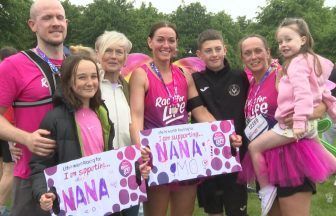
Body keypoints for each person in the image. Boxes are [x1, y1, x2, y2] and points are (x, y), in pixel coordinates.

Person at [239, 32, 336, 216]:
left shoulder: (282, 72)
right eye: (247, 53)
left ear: (268, 52)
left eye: (258, 51)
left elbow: (321, 92)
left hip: (292, 158)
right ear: (242, 57)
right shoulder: (250, 84)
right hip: (265, 162)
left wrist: (311, 113)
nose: (253, 56)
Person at [129, 21, 219, 216]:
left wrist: (222, 132)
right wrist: (140, 150)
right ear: (150, 42)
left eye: (171, 40)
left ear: (176, 43)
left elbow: (199, 111)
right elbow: (135, 117)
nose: (166, 45)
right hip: (155, 155)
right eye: (160, 40)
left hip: (184, 155)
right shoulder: (141, 75)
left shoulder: (185, 74)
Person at [0, 0, 67, 215]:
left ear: (66, 22)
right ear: (32, 25)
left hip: (74, 174)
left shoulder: (76, 64)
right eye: (47, 18)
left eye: (59, 17)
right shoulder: (13, 65)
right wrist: (25, 138)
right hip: (32, 176)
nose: (55, 23)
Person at [29, 55, 116, 214]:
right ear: (68, 81)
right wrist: (42, 193)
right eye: (82, 77)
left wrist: (137, 169)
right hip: (72, 204)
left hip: (102, 199)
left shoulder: (102, 112)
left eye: (94, 76)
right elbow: (39, 165)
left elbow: (110, 156)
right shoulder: (54, 119)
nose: (90, 83)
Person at [192, 29, 249, 216]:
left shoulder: (241, 77)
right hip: (207, 157)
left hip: (236, 154)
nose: (214, 54)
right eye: (208, 50)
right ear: (199, 54)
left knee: (237, 211)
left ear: (225, 49)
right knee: (213, 211)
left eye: (218, 49)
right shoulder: (194, 80)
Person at [95, 30, 139, 216]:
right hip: (100, 170)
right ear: (98, 53)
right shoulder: (91, 86)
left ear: (125, 57)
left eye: (119, 52)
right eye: (108, 51)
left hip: (129, 167)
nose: (113, 56)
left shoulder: (128, 88)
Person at [0, 46, 17, 216]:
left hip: (6, 127)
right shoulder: (9, 76)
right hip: (9, 128)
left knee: (5, 169)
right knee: (10, 171)